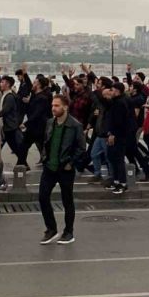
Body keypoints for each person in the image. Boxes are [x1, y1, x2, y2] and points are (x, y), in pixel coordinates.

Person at [38, 95, 86, 245]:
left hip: (65, 167)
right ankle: (51, 229)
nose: (53, 108)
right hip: (49, 167)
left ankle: (69, 232)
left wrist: (71, 162)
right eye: (53, 105)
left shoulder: (75, 125)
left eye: (57, 105)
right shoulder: (50, 123)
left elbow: (81, 148)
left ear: (65, 107)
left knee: (67, 200)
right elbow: (45, 142)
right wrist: (44, 157)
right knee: (42, 197)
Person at [105, 83, 129, 194]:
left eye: (112, 90)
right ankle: (115, 181)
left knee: (118, 159)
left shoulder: (120, 103)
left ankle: (122, 183)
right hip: (114, 133)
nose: (111, 92)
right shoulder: (116, 101)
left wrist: (112, 134)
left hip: (119, 136)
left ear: (118, 91)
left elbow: (119, 121)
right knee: (112, 157)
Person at [0, 76, 22, 157]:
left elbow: (5, 110)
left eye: (2, 82)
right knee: (12, 146)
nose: (0, 84)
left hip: (9, 126)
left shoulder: (9, 97)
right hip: (7, 126)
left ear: (8, 84)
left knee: (15, 147)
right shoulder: (5, 94)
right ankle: (23, 163)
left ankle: (23, 163)